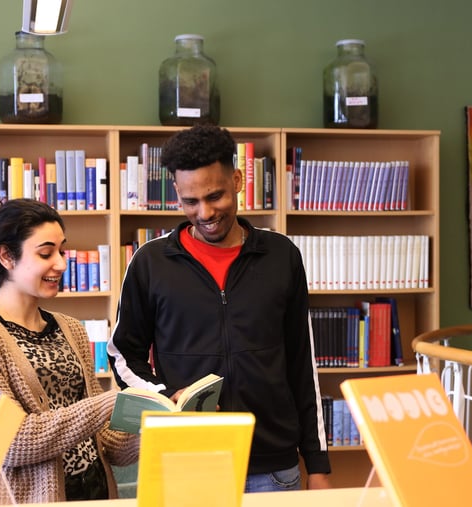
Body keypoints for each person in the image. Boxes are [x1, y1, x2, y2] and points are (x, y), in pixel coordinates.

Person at [107, 124, 332, 492]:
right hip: (188, 463)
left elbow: (301, 364)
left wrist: (318, 463)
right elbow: (122, 356)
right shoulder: (150, 263)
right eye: (190, 201)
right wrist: (166, 397)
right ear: (177, 193)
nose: (205, 212)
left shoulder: (281, 256)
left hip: (274, 469)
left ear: (239, 180)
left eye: (215, 196)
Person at [0, 198, 139, 503]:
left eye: (61, 251)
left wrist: (159, 421)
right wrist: (112, 402)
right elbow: (10, 442)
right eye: (46, 253)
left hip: (97, 493)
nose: (61, 264)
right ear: (7, 256)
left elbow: (106, 441)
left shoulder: (71, 328)